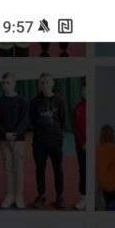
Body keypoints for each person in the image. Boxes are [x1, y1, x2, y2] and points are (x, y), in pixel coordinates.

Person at [0, 73, 30, 210]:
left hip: (18, 140)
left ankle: (19, 195)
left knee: (18, 167)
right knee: (7, 167)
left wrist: (15, 134)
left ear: (14, 83)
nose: (5, 85)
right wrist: (5, 134)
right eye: (3, 82)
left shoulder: (22, 101)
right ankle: (9, 194)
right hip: (4, 140)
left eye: (8, 82)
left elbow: (25, 120)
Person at [29, 72, 66, 209]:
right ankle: (41, 195)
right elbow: (32, 120)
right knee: (40, 170)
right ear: (39, 84)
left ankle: (60, 196)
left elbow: (62, 120)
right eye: (42, 82)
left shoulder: (59, 100)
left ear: (52, 83)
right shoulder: (34, 102)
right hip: (39, 142)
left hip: (55, 141)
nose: (45, 85)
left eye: (47, 82)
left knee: (58, 169)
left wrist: (55, 133)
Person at [96, 124, 115, 207]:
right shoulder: (113, 148)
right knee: (112, 205)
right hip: (112, 184)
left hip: (102, 183)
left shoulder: (98, 147)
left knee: (108, 204)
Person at [72, 78, 86, 211]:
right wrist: (82, 143)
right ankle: (83, 197)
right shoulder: (77, 107)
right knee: (83, 171)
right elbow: (75, 127)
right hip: (81, 147)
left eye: (86, 89)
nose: (83, 91)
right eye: (82, 89)